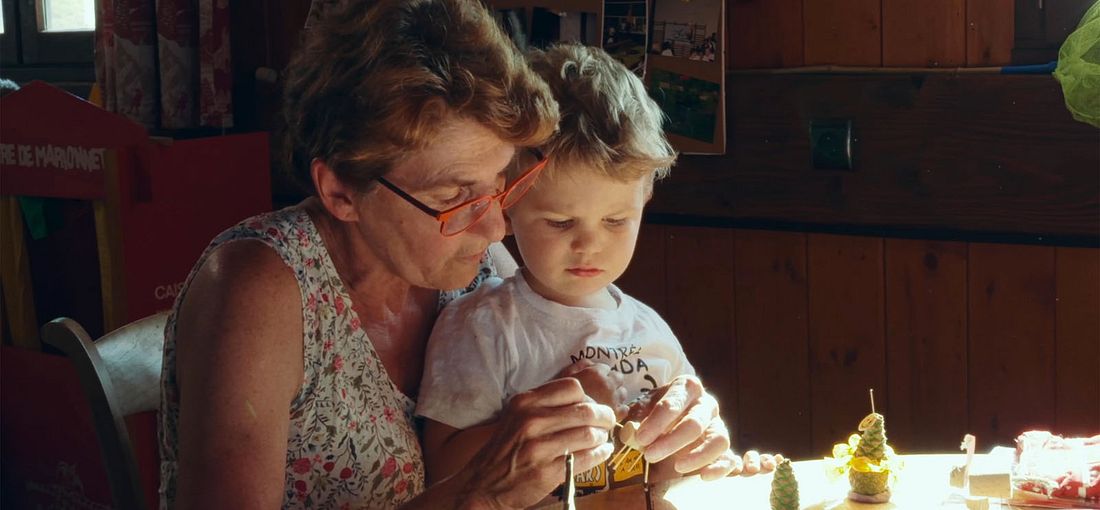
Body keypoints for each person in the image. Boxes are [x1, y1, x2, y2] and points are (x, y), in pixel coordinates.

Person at [159, 1, 736, 509]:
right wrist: (480, 493)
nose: (495, 225)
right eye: (454, 196)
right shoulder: (258, 288)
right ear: (340, 191)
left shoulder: (480, 266)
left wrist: (675, 428)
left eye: (500, 185)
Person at [417, 43, 779, 497]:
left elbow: (671, 465)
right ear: (508, 204)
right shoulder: (481, 327)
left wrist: (708, 459)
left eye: (615, 221)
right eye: (560, 222)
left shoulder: (650, 328)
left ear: (644, 200)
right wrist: (564, 413)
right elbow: (444, 473)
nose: (588, 244)